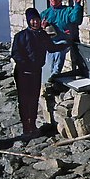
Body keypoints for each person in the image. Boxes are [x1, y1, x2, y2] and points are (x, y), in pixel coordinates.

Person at [11, 8, 70, 137]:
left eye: (36, 19)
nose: (35, 22)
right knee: (24, 100)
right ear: (28, 21)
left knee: (34, 99)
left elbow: (51, 47)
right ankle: (26, 127)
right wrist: (27, 65)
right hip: (23, 73)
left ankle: (32, 125)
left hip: (36, 72)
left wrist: (67, 44)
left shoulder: (42, 35)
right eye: (32, 20)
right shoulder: (20, 36)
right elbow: (16, 54)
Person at [39, 0, 84, 79]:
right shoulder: (45, 13)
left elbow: (76, 19)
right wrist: (42, 27)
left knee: (59, 51)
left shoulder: (66, 11)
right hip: (50, 42)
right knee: (48, 61)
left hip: (64, 41)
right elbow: (35, 28)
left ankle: (55, 75)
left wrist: (77, 4)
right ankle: (48, 80)